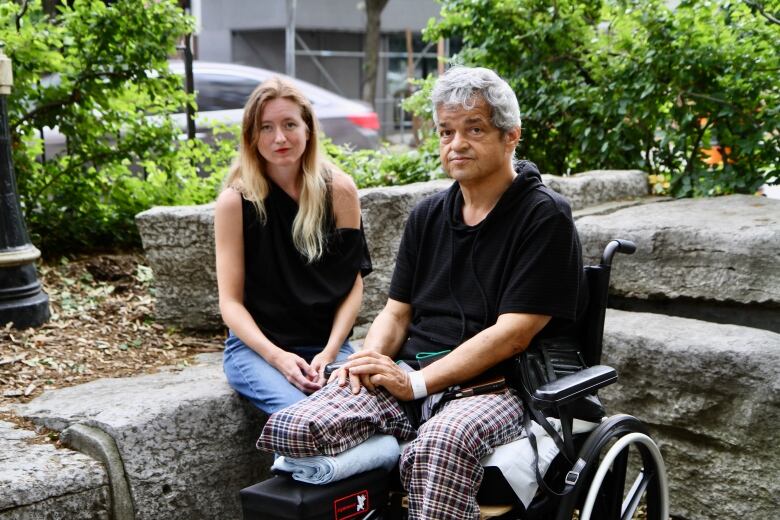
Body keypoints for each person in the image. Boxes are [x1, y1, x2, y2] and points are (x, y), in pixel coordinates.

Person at [256, 66, 586, 519]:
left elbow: (514, 334)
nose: (457, 143)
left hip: (498, 387)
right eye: (446, 131)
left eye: (475, 129)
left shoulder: (543, 216)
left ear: (511, 136)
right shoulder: (428, 214)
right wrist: (367, 361)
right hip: (411, 373)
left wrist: (415, 383)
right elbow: (396, 313)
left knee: (437, 448)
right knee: (294, 427)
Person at [215, 76, 371, 415]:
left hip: (327, 346)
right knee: (301, 416)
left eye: (290, 124)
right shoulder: (235, 202)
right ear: (252, 137)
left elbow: (352, 283)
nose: (280, 138)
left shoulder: (339, 190)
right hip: (256, 350)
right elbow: (230, 303)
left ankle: (310, 471)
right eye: (266, 128)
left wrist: (330, 353)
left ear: (309, 129)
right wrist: (278, 357)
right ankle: (306, 470)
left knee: (356, 414)